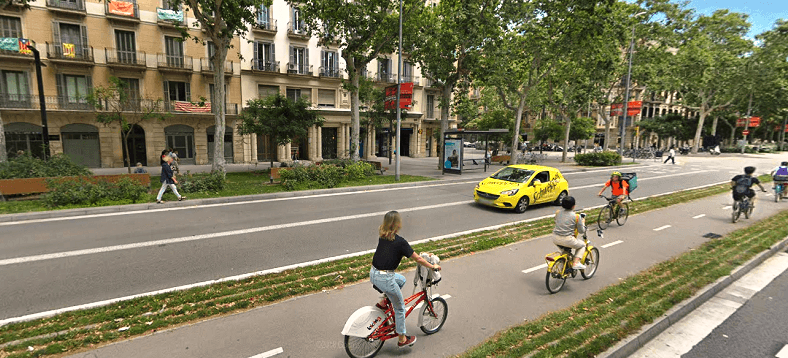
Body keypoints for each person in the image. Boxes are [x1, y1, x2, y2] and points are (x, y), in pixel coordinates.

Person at [370, 211, 441, 348]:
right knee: (400, 307)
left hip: (374, 274)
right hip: (386, 278)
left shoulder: (383, 236)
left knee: (401, 279)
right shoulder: (400, 242)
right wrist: (432, 266)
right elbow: (418, 259)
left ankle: (384, 302)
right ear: (397, 224)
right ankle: (402, 339)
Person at [552, 196, 587, 270]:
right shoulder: (576, 216)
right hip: (567, 239)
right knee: (583, 245)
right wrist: (583, 222)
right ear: (574, 206)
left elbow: (558, 221)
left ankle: (563, 267)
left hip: (555, 238)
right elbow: (581, 231)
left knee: (566, 252)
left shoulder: (558, 213)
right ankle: (576, 263)